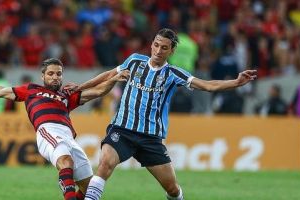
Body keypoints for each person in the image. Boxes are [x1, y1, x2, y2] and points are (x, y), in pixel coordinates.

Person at [74, 28, 257, 200]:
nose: (158, 50)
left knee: (172, 189)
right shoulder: (135, 61)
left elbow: (208, 85)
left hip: (150, 139)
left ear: (172, 50)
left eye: (164, 47)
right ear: (152, 44)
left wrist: (236, 82)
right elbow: (107, 75)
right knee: (105, 164)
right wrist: (80, 87)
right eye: (156, 45)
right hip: (122, 130)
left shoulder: (173, 73)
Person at [0, 58, 130, 200]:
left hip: (69, 137)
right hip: (48, 130)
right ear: (43, 76)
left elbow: (98, 91)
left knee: (88, 186)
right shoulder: (31, 90)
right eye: (51, 74)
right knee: (66, 162)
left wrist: (113, 79)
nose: (55, 77)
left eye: (58, 74)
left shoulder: (67, 95)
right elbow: (0, 91)